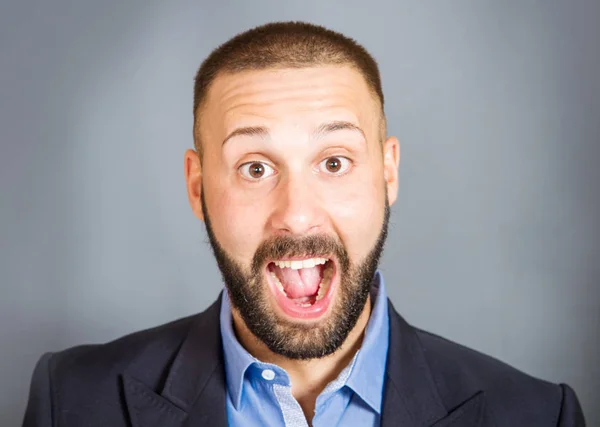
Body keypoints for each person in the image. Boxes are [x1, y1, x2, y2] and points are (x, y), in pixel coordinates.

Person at [22, 21, 586, 427]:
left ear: (388, 173)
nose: (296, 213)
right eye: (256, 167)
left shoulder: (539, 414)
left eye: (334, 163)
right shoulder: (71, 399)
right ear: (198, 187)